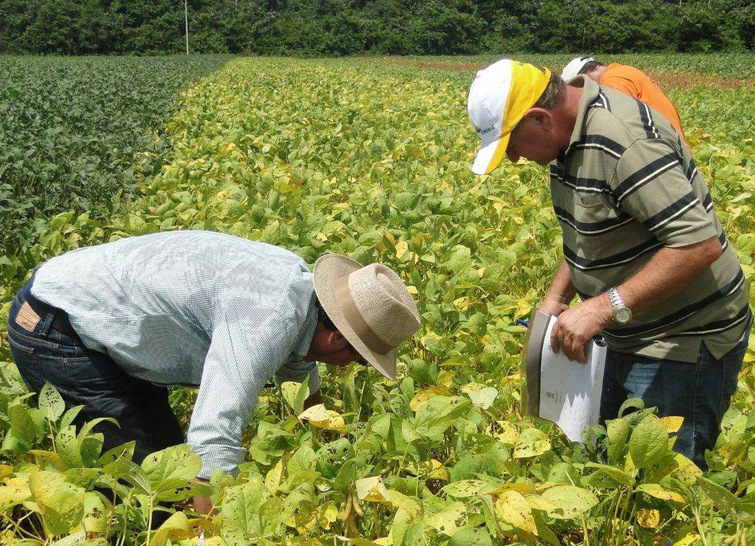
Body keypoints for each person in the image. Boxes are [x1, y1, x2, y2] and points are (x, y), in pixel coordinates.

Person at [7, 230, 421, 513]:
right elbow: (213, 436)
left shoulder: (302, 297)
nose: (355, 367)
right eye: (361, 357)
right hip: (57, 327)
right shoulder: (267, 318)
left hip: (103, 322)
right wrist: (218, 531)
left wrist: (325, 450)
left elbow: (298, 368)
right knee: (145, 493)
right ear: (336, 340)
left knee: (169, 470)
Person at [467, 59, 751, 468]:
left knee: (666, 483)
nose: (512, 158)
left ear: (540, 119)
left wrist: (602, 307)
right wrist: (555, 298)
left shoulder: (623, 141)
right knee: (610, 468)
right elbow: (587, 233)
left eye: (511, 144)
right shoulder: (567, 143)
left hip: (683, 342)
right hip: (625, 332)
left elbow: (698, 243)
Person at [561, 56, 688, 148]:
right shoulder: (623, 72)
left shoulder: (614, 78)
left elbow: (615, 120)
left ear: (586, 75)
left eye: (580, 86)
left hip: (665, 152)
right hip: (672, 148)